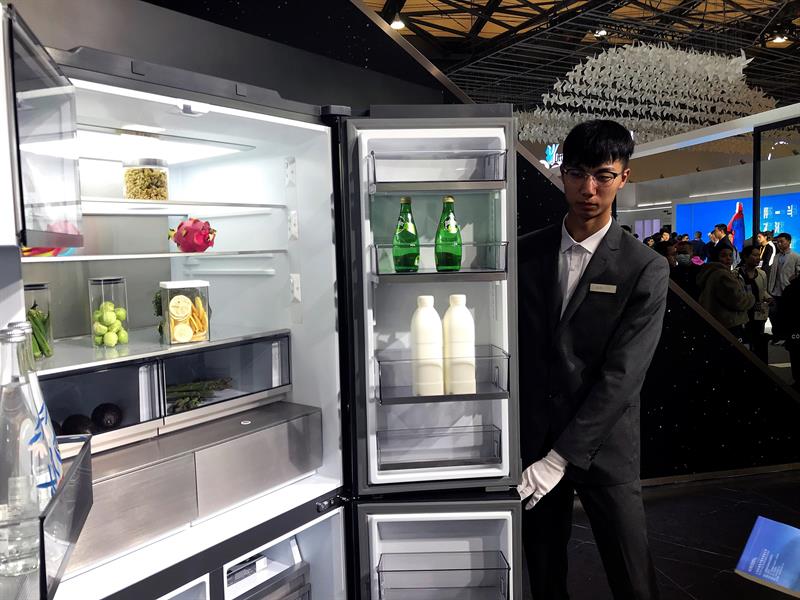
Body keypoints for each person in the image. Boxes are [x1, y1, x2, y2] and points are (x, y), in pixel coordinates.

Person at [518, 119, 666, 600]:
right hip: (536, 438)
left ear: (624, 177)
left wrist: (560, 457)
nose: (589, 189)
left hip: (605, 443)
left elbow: (624, 375)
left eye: (603, 175)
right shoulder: (526, 253)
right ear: (561, 173)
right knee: (543, 573)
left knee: (632, 576)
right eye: (578, 173)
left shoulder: (644, 266)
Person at [697, 247, 754, 339]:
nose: (728, 258)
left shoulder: (711, 272)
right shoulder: (723, 275)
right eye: (723, 256)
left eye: (730, 255)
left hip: (717, 321)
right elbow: (737, 301)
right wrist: (751, 298)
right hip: (729, 323)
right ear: (716, 257)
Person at [737, 244, 770, 363]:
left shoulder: (762, 274)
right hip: (743, 314)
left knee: (758, 343)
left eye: (758, 255)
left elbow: (763, 290)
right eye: (754, 255)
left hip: (758, 314)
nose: (758, 258)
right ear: (745, 257)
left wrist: (768, 298)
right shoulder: (736, 274)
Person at [767, 232, 800, 340]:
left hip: (789, 291)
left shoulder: (796, 256)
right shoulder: (776, 257)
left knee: (787, 315)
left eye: (782, 241)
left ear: (789, 241)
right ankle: (777, 335)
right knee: (773, 314)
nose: (779, 244)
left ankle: (786, 336)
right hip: (775, 291)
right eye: (777, 242)